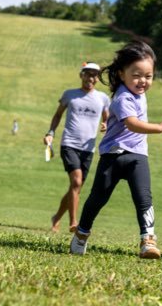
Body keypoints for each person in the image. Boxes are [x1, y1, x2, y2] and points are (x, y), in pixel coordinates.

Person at [70, 41, 162, 259]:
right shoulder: (122, 97)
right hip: (113, 157)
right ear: (121, 74)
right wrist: (160, 128)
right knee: (98, 198)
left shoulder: (139, 93)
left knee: (143, 197)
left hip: (137, 156)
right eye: (136, 75)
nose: (143, 81)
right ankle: (81, 233)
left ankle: (148, 240)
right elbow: (132, 124)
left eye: (148, 76)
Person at [44, 62, 110, 233]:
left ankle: (56, 218)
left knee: (76, 187)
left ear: (97, 79)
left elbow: (107, 118)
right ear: (81, 75)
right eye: (87, 74)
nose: (91, 78)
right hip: (69, 144)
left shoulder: (102, 98)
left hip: (88, 148)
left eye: (94, 75)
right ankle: (74, 222)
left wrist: (105, 124)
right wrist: (51, 132)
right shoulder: (70, 95)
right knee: (76, 181)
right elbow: (58, 115)